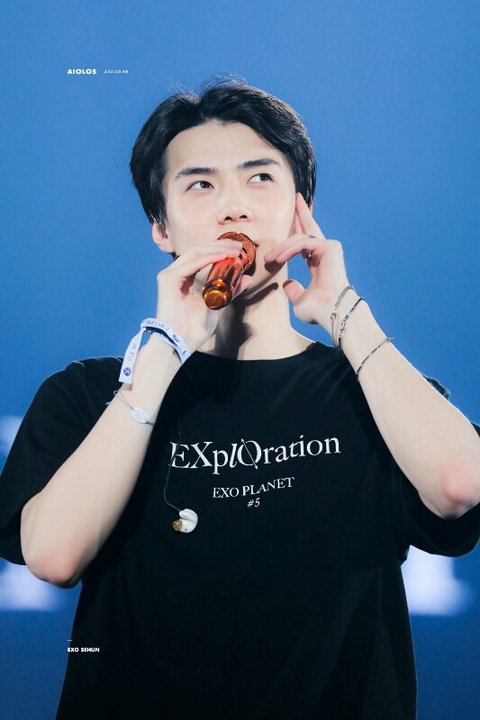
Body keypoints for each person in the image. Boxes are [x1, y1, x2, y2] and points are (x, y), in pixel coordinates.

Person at [1, 79, 479, 720]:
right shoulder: (87, 395)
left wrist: (345, 313)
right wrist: (164, 349)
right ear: (160, 227)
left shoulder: (371, 393)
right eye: (200, 185)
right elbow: (53, 556)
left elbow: (460, 485)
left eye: (259, 179)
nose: (234, 208)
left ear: (301, 209)